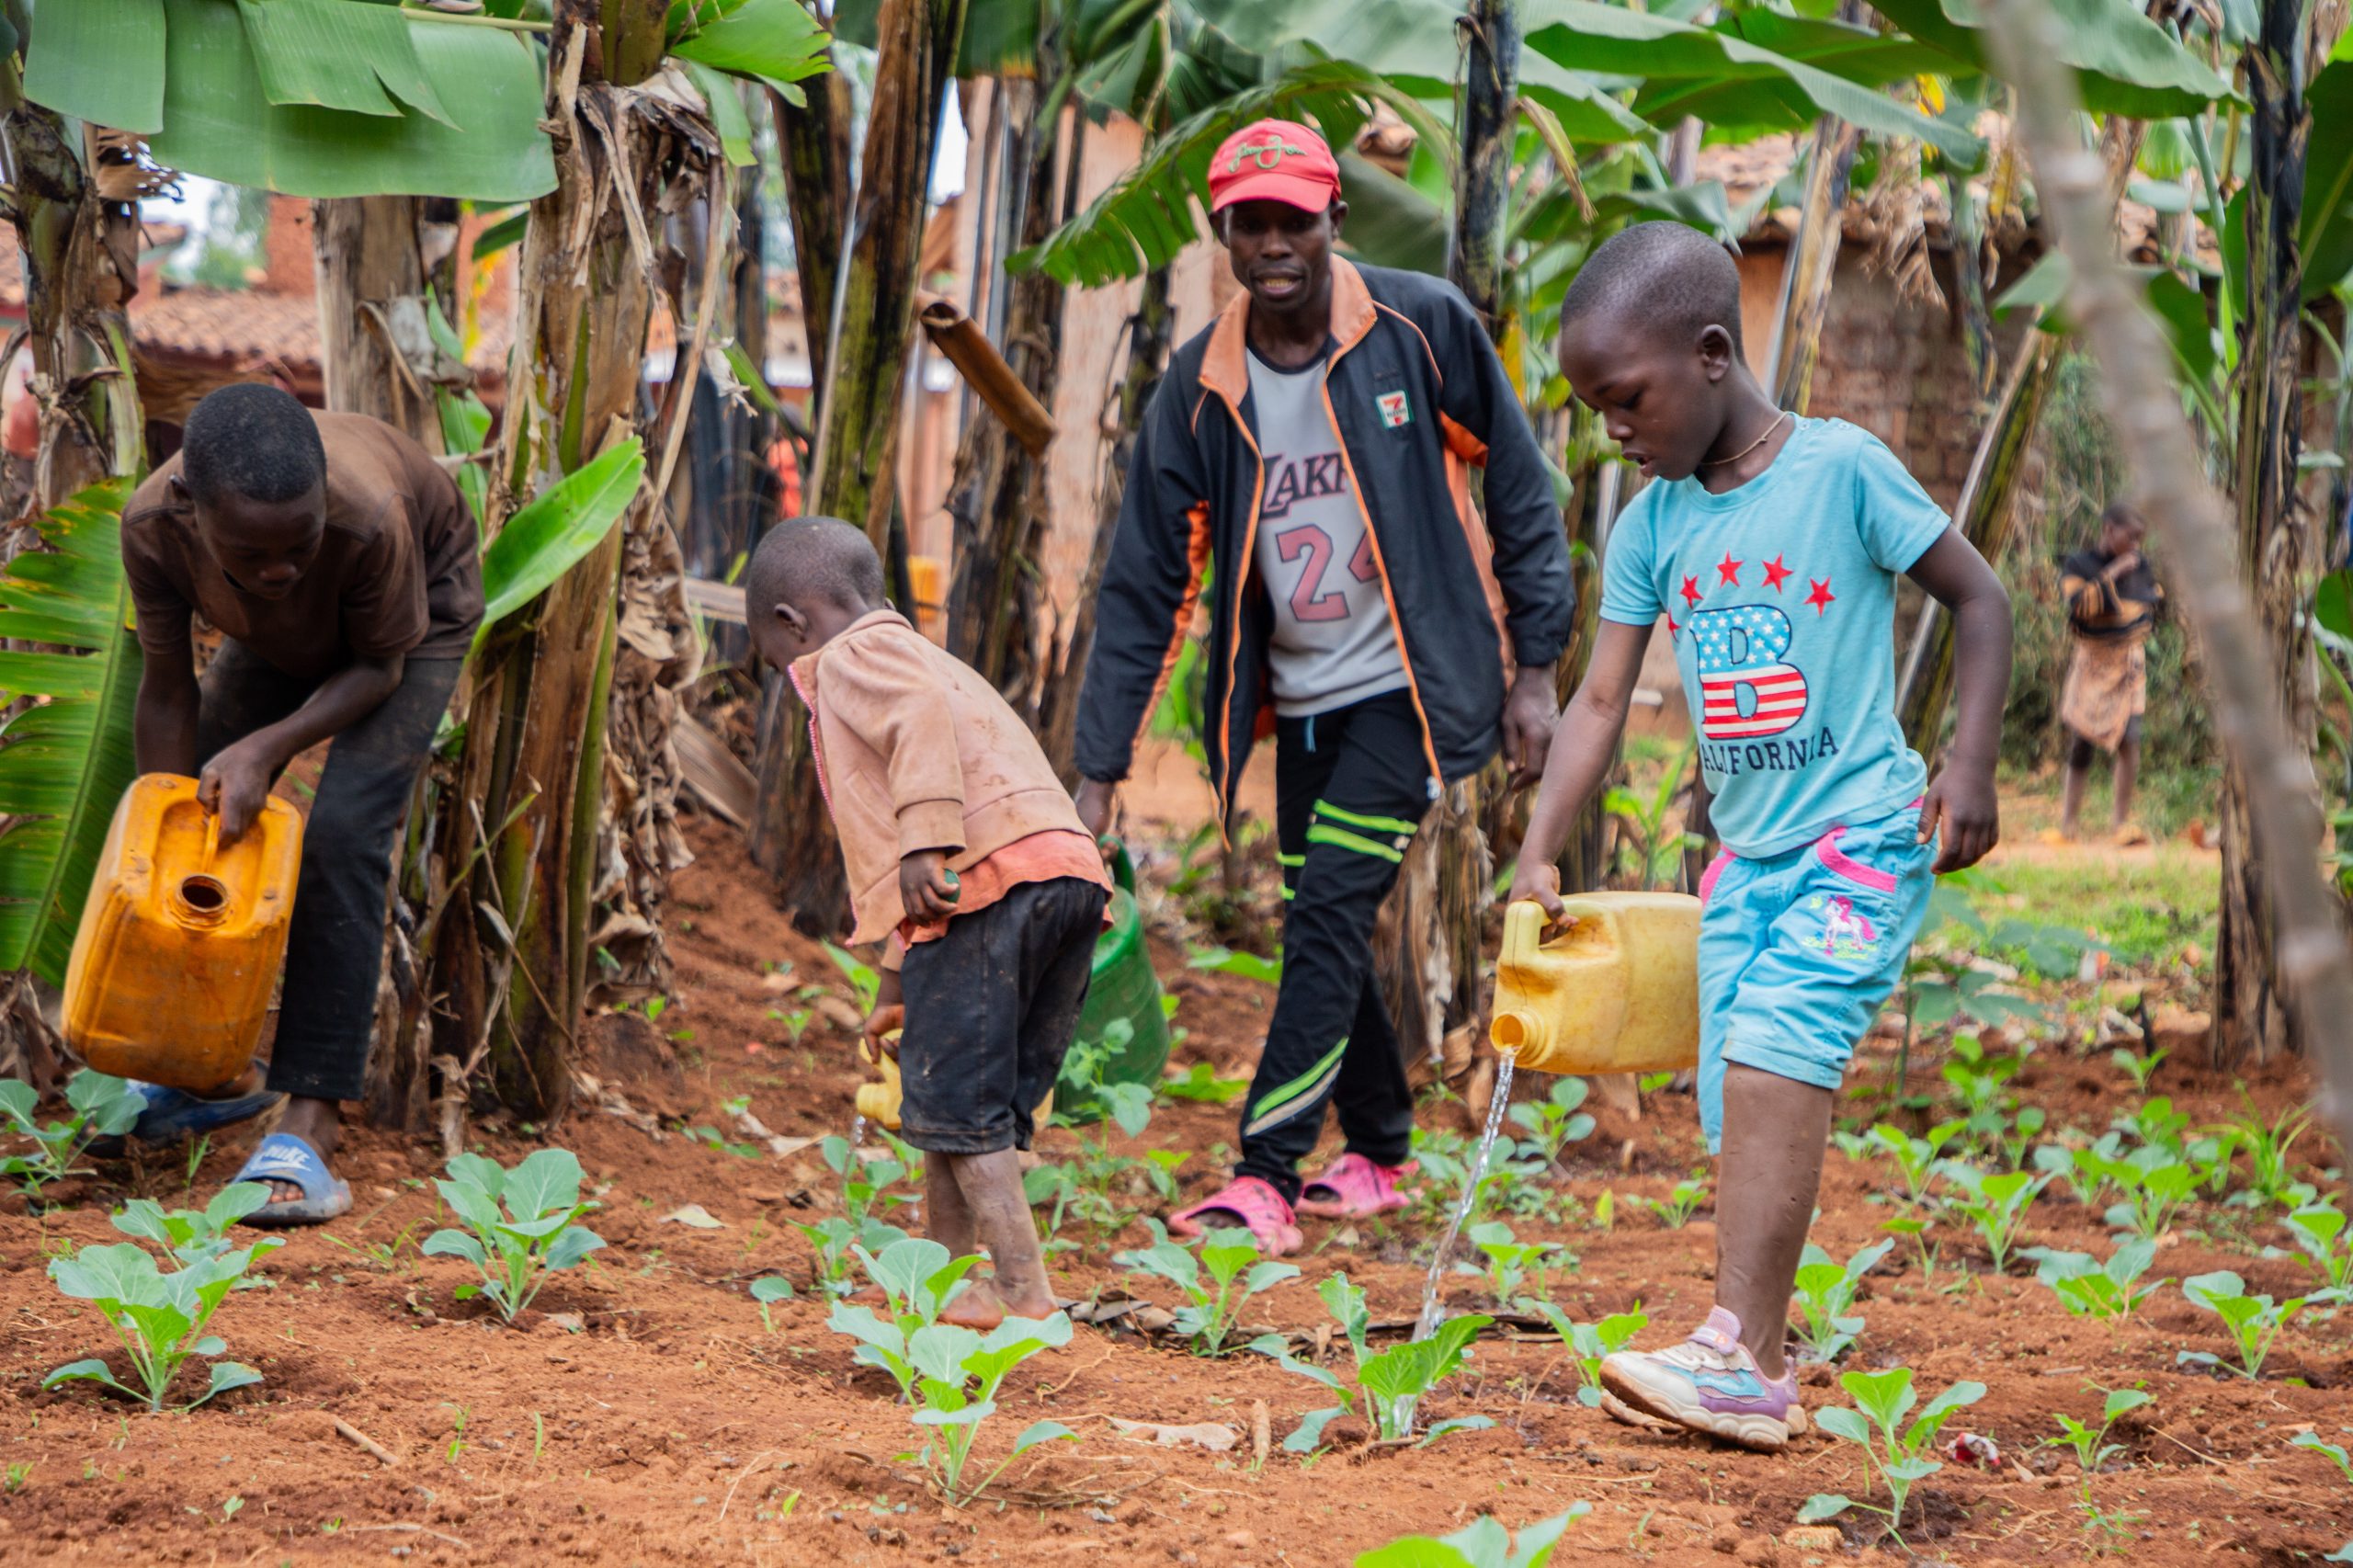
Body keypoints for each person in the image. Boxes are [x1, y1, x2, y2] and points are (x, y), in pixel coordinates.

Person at [1508, 222, 2010, 1451]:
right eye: (1593, 409)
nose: (1612, 430)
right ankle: (1759, 1350)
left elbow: (1980, 595)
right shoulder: (1653, 524)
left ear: (1714, 355)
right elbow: (1599, 702)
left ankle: (1737, 1351)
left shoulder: (1842, 471)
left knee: (1786, 1039)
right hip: (1748, 861)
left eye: (1626, 399)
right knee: (1740, 1089)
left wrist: (1970, 760)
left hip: (1860, 833)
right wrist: (1538, 846)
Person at [1069, 119, 1573, 1256]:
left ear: (1335, 217)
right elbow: (1143, 589)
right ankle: (1382, 1147)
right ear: (1225, 235)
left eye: (1294, 217)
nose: (1274, 241)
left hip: (1415, 682)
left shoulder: (1418, 329)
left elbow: (1521, 491)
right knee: (1322, 916)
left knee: (1330, 906)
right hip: (1295, 700)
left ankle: (1265, 1173)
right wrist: (1098, 772)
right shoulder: (1196, 392)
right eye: (1250, 222)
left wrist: (1534, 669)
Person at [120, 383, 483, 1224]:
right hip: (274, 634)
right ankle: (199, 1075)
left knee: (342, 835)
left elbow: (378, 668)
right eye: (253, 552)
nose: (281, 568)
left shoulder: (369, 516)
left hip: (411, 629)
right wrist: (162, 828)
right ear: (192, 509)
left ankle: (311, 1124)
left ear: (323, 505)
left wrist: (269, 744)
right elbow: (167, 691)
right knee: (194, 826)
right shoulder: (153, 527)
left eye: (298, 544)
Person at [745, 517, 1110, 1330]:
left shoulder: (852, 656)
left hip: (987, 886)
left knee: (962, 1112)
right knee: (960, 1105)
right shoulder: (930, 658)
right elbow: (922, 892)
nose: (793, 676)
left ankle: (1021, 1289)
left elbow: (917, 734)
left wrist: (926, 835)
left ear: (791, 624)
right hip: (1061, 882)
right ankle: (944, 1284)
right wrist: (891, 981)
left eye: (780, 666)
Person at [2055, 502, 2161, 843]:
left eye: (2139, 539)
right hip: (2092, 663)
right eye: (2130, 537)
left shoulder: (2141, 566)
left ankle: (2119, 823)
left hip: (2129, 664)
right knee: (2081, 740)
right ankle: (2068, 823)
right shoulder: (2078, 564)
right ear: (2109, 529)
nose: (2135, 546)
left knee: (2130, 740)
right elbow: (2078, 608)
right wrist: (2113, 573)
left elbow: (2148, 606)